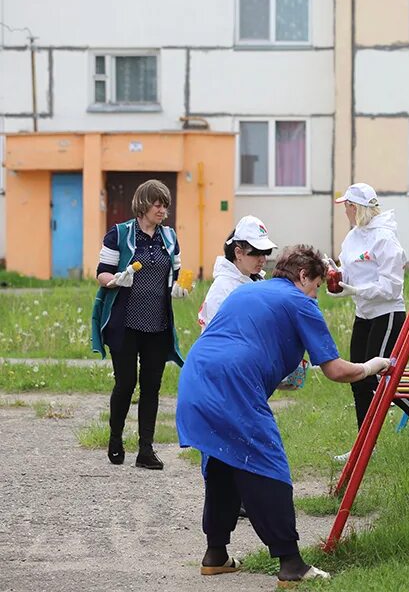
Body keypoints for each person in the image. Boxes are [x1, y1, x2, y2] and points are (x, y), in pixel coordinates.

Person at [176, 245, 391, 584]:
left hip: (195, 376)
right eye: (317, 285)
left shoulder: (247, 291)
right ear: (304, 276)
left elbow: (245, 338)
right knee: (267, 466)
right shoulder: (299, 301)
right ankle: (292, 564)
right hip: (234, 382)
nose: (316, 294)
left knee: (221, 462)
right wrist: (370, 366)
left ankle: (215, 554)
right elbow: (335, 370)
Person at [328, 183, 409, 462]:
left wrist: (357, 290)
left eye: (347, 206)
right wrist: (336, 276)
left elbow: (391, 287)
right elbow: (352, 272)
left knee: (378, 377)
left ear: (356, 208)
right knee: (357, 377)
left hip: (388, 313)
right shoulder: (353, 237)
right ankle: (365, 447)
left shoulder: (385, 238)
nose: (345, 211)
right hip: (363, 312)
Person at [91, 179, 192, 470]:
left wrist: (179, 288)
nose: (162, 210)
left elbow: (177, 272)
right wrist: (115, 280)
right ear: (142, 205)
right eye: (157, 204)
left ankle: (146, 450)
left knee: (152, 386)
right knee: (125, 383)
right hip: (125, 323)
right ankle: (115, 439)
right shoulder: (119, 234)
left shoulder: (169, 237)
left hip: (158, 324)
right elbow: (102, 273)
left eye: (165, 205)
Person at [198, 215, 277, 331]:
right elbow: (215, 336)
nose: (263, 260)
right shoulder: (222, 289)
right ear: (238, 253)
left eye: (265, 253)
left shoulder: (258, 281)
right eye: (256, 253)